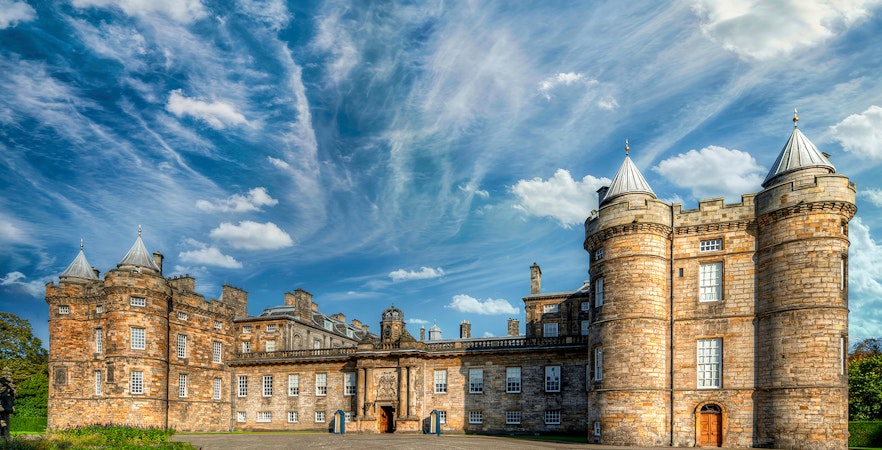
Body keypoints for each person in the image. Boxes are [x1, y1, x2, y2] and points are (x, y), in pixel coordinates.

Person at [0, 367, 15, 439]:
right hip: (4, 408)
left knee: (4, 426)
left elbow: (12, 396)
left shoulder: (8, 389)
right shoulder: (3, 388)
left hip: (5, 407)